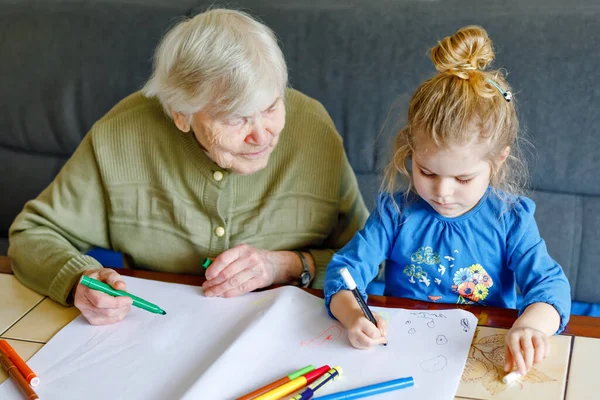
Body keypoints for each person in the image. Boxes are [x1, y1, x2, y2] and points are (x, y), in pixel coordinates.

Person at [8, 9, 368, 325]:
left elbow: (371, 256)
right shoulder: (121, 136)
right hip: (154, 333)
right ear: (182, 115)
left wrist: (288, 265)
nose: (261, 136)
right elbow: (33, 235)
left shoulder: (314, 130)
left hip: (289, 332)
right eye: (236, 119)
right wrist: (79, 281)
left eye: (272, 107)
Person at [324, 26, 570, 378]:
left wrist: (531, 327)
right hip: (400, 352)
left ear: (498, 160)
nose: (442, 191)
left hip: (481, 353)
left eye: (463, 179)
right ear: (410, 152)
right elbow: (344, 272)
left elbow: (551, 287)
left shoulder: (510, 219)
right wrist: (353, 316)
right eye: (426, 171)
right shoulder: (396, 212)